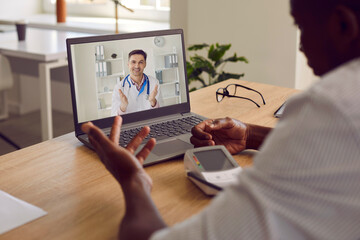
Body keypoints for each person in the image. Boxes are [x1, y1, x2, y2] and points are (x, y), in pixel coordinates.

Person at [81, 0, 360, 239]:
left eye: (302, 26)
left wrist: (133, 181)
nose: (300, 44)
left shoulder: (330, 106)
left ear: (342, 26)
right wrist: (250, 133)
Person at [111, 49, 161, 115]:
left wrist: (153, 102)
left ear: (145, 64)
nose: (137, 66)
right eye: (133, 62)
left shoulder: (154, 83)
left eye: (140, 62)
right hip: (130, 123)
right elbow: (114, 117)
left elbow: (161, 113)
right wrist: (123, 107)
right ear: (128, 64)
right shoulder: (119, 87)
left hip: (150, 121)